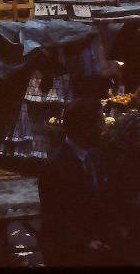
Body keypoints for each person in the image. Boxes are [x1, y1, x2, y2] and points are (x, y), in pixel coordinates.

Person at [39, 98, 126, 266]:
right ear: (85, 128)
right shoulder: (54, 167)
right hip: (71, 252)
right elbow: (54, 218)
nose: (103, 128)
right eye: (100, 123)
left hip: (102, 245)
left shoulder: (97, 156)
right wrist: (85, 243)